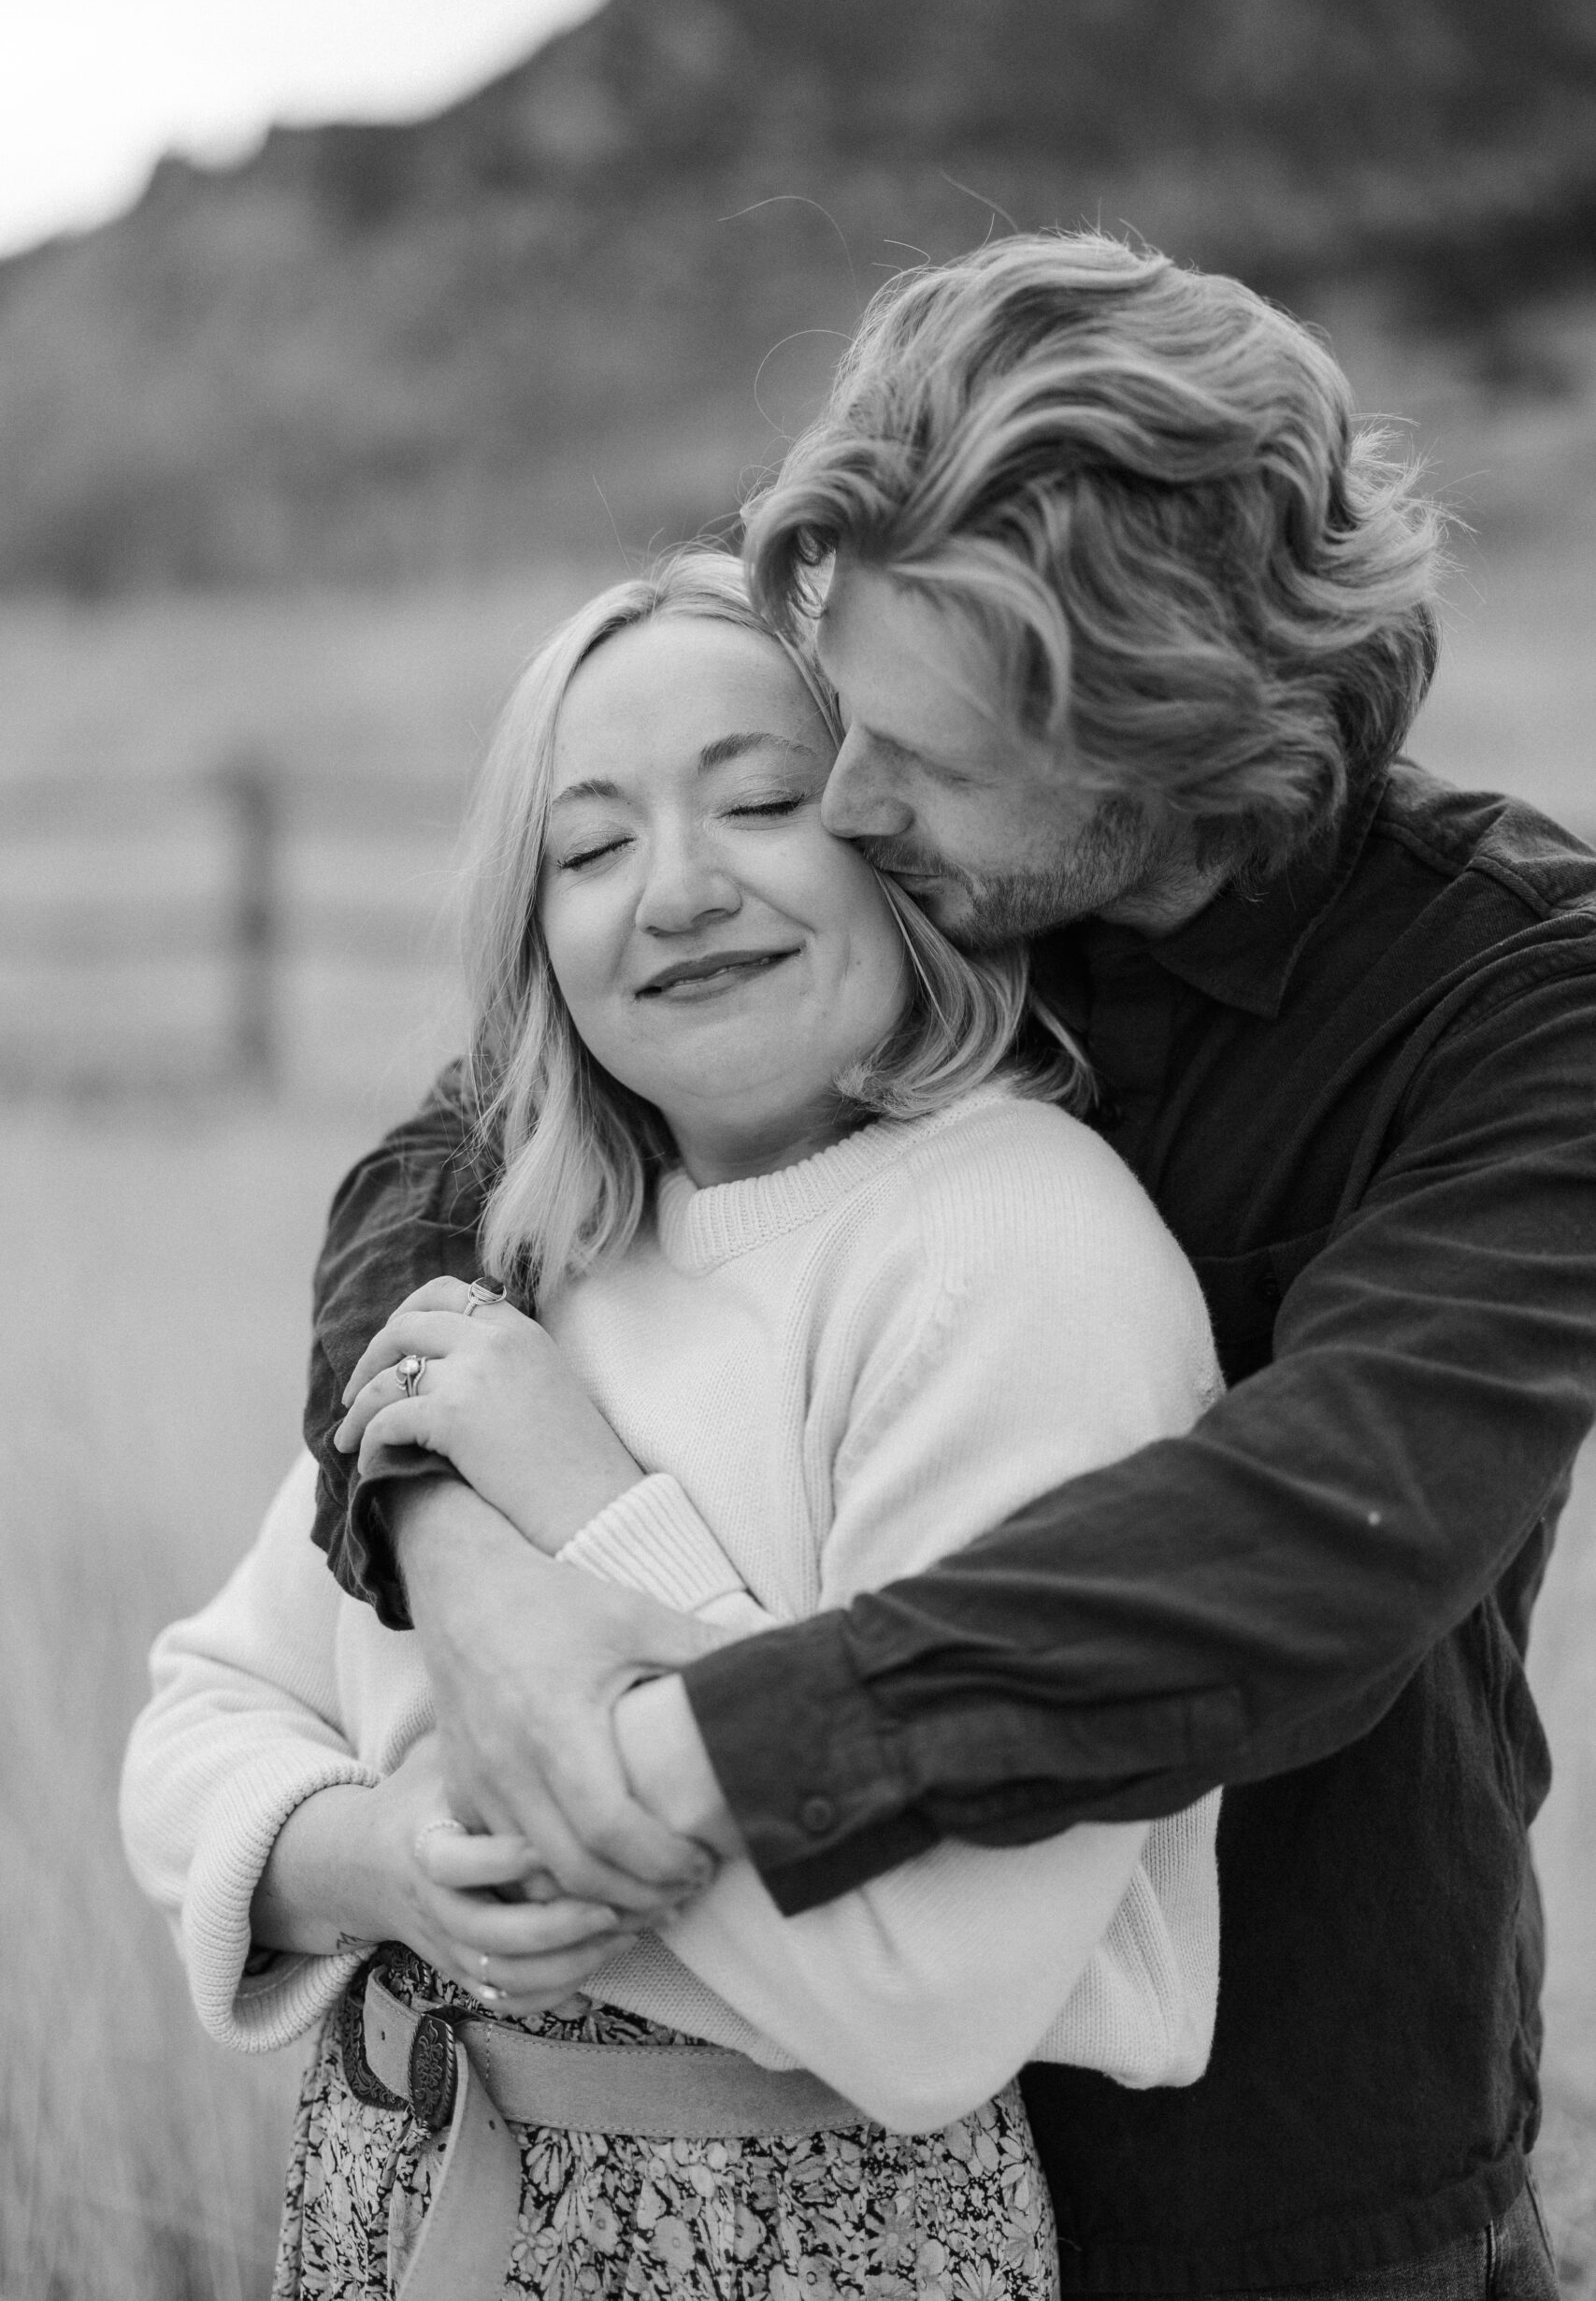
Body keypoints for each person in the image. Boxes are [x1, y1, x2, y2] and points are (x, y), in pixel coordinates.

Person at [298, 231, 1596, 2297]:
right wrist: (453, 1541)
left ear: (1159, 729)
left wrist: (658, 1748)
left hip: (1267, 2164)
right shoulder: (935, 866)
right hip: (784, 2154)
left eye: (916, 747)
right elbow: (457, 1149)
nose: (841, 791)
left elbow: (1310, 1546)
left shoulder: (1524, 1009)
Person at [122, 552, 1225, 2301]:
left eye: (762, 801)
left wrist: (587, 1505)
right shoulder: (525, 1251)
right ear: (534, 930)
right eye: (589, 846)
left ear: (898, 832)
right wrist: (383, 1866)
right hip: (404, 2192)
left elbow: (926, 1990)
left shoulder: (1019, 1252)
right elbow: (207, 1713)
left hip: (800, 2232)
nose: (680, 890)